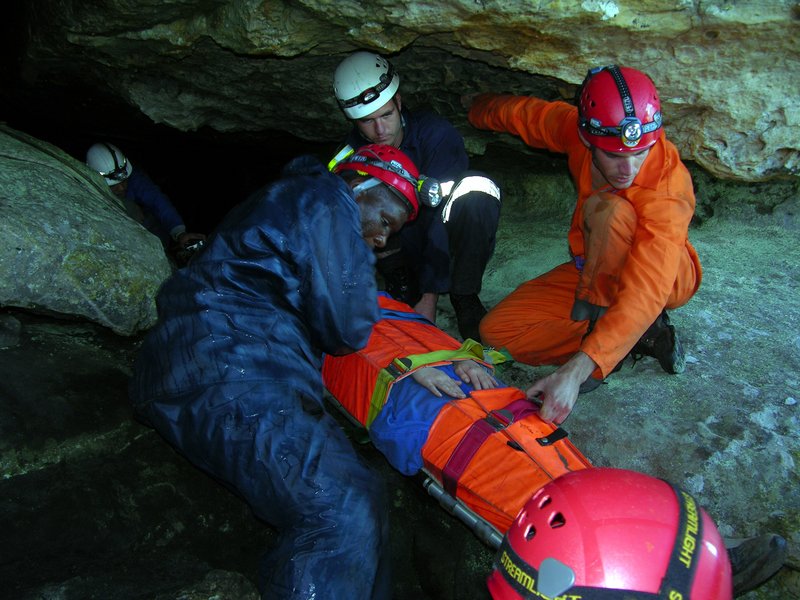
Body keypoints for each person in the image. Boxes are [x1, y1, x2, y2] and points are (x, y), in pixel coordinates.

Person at [323, 295, 787, 598]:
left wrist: (460, 359)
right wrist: (405, 369)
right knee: (505, 474)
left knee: (538, 443)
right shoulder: (304, 309)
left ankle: (680, 550)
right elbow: (329, 347)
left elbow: (421, 329)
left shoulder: (367, 291)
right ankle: (657, 569)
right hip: (411, 399)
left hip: (454, 376)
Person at [128, 144, 424, 599]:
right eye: (385, 221)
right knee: (341, 507)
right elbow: (347, 326)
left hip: (201, 362)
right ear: (360, 186)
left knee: (366, 491)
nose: (383, 240)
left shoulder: (288, 196)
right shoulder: (328, 201)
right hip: (233, 363)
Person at [465, 65, 702, 425]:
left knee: (609, 211)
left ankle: (608, 341)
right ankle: (632, 336)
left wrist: (575, 373)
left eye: (641, 152)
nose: (629, 168)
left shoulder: (668, 187)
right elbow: (529, 116)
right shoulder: (576, 132)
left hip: (666, 277)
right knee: (497, 332)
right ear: (587, 139)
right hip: (594, 266)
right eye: (614, 156)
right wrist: (478, 107)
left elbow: (649, 288)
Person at [332, 51, 502, 342]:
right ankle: (399, 279)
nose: (380, 130)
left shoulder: (435, 135)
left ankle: (463, 294)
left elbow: (436, 212)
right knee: (355, 203)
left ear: (399, 102)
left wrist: (429, 295)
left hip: (440, 228)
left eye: (386, 115)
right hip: (395, 243)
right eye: (367, 121)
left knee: (477, 190)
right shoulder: (349, 156)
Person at [86, 142, 206, 257]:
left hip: (147, 230)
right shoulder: (86, 190)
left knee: (151, 220)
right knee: (130, 209)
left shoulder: (134, 177)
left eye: (124, 181)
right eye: (114, 185)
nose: (122, 188)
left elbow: (157, 201)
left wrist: (180, 233)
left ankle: (165, 252)